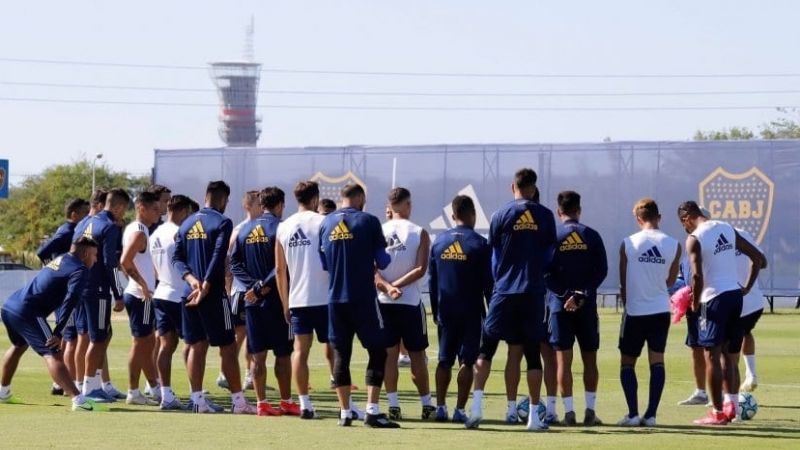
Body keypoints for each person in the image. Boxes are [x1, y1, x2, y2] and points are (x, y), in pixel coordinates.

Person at [466, 168, 556, 431]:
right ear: (534, 188)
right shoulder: (545, 215)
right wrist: (535, 272)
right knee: (532, 355)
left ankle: (476, 409)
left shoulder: (500, 214)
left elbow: (493, 256)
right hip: (533, 292)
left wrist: (502, 279)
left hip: (504, 291)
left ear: (512, 186)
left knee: (486, 349)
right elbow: (550, 254)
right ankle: (534, 418)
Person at [677, 201, 765, 425]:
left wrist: (695, 303)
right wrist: (747, 287)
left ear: (686, 218)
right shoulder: (726, 228)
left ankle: (717, 413)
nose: (685, 228)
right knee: (729, 354)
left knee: (712, 356)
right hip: (735, 296)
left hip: (713, 299)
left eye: (683, 224)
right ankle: (731, 407)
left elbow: (697, 276)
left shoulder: (695, 238)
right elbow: (758, 258)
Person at [319, 183, 399, 428]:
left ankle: (345, 413)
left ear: (342, 198)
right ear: (361, 198)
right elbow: (383, 261)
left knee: (341, 355)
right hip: (363, 297)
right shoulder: (369, 221)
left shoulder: (326, 223)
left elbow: (324, 263)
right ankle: (372, 411)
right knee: (378, 351)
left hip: (335, 299)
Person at [172, 180, 255, 414]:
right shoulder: (223, 222)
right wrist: (207, 285)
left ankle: (197, 400)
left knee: (196, 346)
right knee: (228, 346)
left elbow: (176, 258)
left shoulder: (186, 223)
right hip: (213, 295)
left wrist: (191, 280)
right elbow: (218, 255)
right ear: (223, 199)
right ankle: (239, 403)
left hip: (190, 293)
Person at [0, 237, 99, 411]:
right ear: (85, 254)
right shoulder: (80, 269)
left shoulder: (62, 258)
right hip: (28, 312)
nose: (96, 259)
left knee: (18, 346)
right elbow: (71, 300)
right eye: (94, 254)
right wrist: (59, 332)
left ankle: (3, 392)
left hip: (9, 306)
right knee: (53, 353)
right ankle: (79, 401)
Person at [276, 181, 345, 419]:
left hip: (298, 300)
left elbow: (279, 270)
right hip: (326, 299)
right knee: (337, 350)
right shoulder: (325, 222)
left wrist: (285, 303)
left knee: (299, 351)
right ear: (315, 199)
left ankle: (305, 404)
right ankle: (344, 406)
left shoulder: (283, 227)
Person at [231, 186, 300, 417]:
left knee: (257, 354)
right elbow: (283, 266)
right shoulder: (282, 227)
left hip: (252, 302)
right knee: (283, 353)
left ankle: (261, 403)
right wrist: (261, 286)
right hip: (279, 300)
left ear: (261, 205)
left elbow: (234, 264)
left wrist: (252, 286)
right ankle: (286, 401)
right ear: (280, 205)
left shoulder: (244, 229)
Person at [545, 191, 608, 426]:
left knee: (564, 361)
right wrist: (581, 294)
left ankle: (569, 413)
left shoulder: (553, 236)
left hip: (559, 307)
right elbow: (601, 270)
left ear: (558, 211)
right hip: (586, 306)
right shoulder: (591, 235)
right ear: (579, 210)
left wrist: (565, 295)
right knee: (590, 359)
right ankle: (590, 412)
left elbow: (546, 273)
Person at [617, 198, 681, 427]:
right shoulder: (674, 244)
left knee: (627, 363)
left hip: (635, 311)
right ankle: (651, 415)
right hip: (660, 310)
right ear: (659, 217)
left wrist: (630, 303)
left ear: (638, 219)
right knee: (657, 360)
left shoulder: (628, 243)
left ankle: (633, 414)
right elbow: (671, 281)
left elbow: (623, 283)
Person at [428, 195, 492, 423]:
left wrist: (435, 310)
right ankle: (459, 410)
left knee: (444, 360)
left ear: (453, 215)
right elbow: (488, 283)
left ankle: (440, 407)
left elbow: (432, 281)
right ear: (473, 215)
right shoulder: (480, 244)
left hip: (446, 309)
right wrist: (491, 311)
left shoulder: (439, 242)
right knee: (467, 361)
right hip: (471, 310)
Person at [375, 188, 433, 420]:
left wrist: (388, 287)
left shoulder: (378, 231)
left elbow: (371, 270)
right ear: (408, 205)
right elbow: (421, 269)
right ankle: (426, 405)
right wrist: (395, 286)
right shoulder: (419, 232)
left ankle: (393, 405)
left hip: (384, 302)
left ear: (390, 207)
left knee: (389, 355)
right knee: (417, 355)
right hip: (410, 302)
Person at [73, 188, 130, 403]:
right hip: (97, 290)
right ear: (118, 207)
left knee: (84, 337)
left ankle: (82, 385)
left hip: (79, 287)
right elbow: (110, 263)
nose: (123, 214)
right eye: (124, 209)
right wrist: (118, 293)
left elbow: (72, 253)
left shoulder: (82, 223)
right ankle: (90, 389)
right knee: (98, 339)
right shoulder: (108, 226)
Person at [36, 197, 89, 396]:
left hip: (67, 291)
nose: (87, 217)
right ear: (74, 214)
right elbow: (42, 251)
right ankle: (67, 384)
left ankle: (60, 383)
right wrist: (55, 270)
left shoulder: (74, 231)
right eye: (84, 213)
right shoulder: (67, 231)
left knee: (69, 338)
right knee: (70, 338)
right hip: (64, 293)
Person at [150, 194, 194, 410]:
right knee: (194, 344)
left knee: (166, 345)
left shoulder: (155, 234)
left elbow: (154, 268)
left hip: (161, 293)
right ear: (184, 211)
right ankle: (196, 394)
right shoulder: (179, 233)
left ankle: (166, 394)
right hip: (178, 295)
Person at [120, 191, 162, 406]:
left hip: (139, 296)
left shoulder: (135, 229)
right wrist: (143, 285)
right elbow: (124, 261)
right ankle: (133, 391)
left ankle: (154, 387)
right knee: (140, 344)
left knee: (147, 343)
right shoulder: (139, 232)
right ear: (141, 208)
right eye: (154, 209)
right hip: (140, 297)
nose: (158, 213)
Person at [218, 190, 261, 391]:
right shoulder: (239, 230)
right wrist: (228, 289)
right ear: (247, 206)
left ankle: (249, 376)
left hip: (258, 291)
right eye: (258, 204)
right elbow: (228, 262)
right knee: (239, 334)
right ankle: (225, 373)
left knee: (254, 335)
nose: (262, 208)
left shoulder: (264, 228)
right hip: (241, 291)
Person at [736, 228, 766, 392]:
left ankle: (728, 394)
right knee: (745, 333)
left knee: (726, 345)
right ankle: (751, 374)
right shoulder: (742, 233)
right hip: (753, 301)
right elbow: (763, 261)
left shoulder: (706, 236)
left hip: (730, 299)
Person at [37, 198, 90, 264]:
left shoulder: (73, 230)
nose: (88, 216)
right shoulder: (66, 232)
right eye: (85, 213)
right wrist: (53, 267)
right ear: (74, 215)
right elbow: (41, 252)